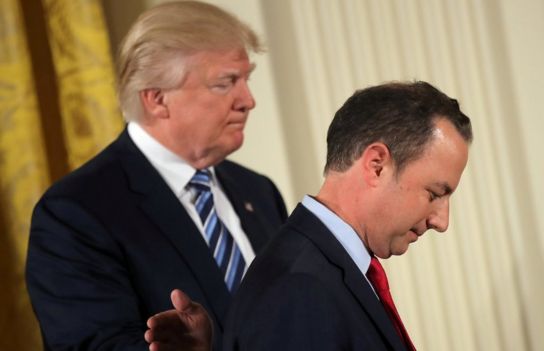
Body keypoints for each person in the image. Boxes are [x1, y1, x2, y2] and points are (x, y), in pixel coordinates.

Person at [25, 2, 287, 350]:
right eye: (226, 83)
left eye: (246, 79)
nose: (248, 100)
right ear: (157, 99)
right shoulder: (76, 213)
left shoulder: (258, 191)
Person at [148, 80, 473, 350]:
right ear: (377, 165)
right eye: (434, 193)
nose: (442, 221)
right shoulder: (299, 289)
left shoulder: (326, 268)